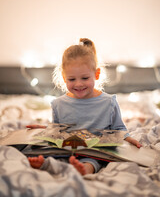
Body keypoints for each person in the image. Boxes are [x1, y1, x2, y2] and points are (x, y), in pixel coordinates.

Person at [27, 38, 142, 175]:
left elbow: (118, 129)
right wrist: (44, 130)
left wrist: (129, 138)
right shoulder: (58, 104)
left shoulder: (109, 102)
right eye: (72, 79)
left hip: (94, 152)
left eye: (85, 78)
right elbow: (57, 132)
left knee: (94, 161)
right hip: (67, 149)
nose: (78, 84)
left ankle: (84, 169)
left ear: (97, 74)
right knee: (48, 152)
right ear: (64, 78)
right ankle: (47, 164)